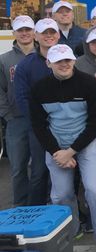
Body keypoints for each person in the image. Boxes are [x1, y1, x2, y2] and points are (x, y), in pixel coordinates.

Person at [29, 44, 96, 252]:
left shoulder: (89, 84)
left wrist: (71, 151)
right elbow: (39, 126)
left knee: (95, 190)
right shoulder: (39, 88)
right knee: (60, 194)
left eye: (68, 60)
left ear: (73, 61)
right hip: (56, 146)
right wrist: (57, 151)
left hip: (85, 143)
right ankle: (70, 232)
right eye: (58, 61)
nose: (64, 64)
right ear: (48, 63)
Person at [14, 17, 60, 205]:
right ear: (36, 36)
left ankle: (67, 213)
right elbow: (23, 98)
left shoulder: (68, 58)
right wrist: (40, 123)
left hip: (67, 126)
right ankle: (36, 212)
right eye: (44, 33)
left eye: (52, 32)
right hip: (39, 128)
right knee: (39, 171)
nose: (49, 36)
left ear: (57, 35)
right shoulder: (26, 65)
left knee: (67, 172)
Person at [0, 16, 38, 206]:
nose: (24, 33)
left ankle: (40, 203)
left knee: (41, 167)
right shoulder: (4, 60)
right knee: (18, 167)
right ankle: (20, 206)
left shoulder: (44, 56)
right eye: (20, 30)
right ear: (14, 33)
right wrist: (8, 115)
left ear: (34, 32)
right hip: (17, 120)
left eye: (28, 29)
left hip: (41, 119)